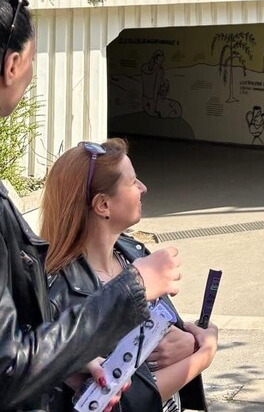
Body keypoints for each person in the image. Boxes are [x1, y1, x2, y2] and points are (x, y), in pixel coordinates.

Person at [0, 0, 183, 412]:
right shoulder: (64, 280)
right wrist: (133, 290)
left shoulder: (131, 250)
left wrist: (66, 361)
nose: (142, 190)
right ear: (12, 65)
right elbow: (10, 367)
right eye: (32, 60)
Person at [41, 138, 218, 412]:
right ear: (103, 205)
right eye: (133, 182)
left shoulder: (133, 254)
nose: (143, 188)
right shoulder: (62, 292)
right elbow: (119, 401)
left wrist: (188, 340)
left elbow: (160, 335)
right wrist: (203, 356)